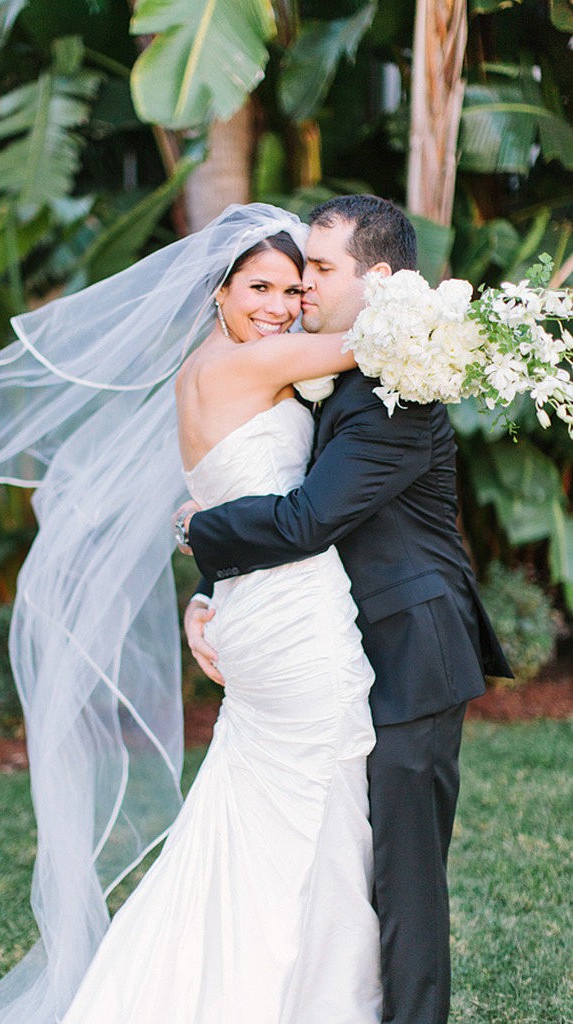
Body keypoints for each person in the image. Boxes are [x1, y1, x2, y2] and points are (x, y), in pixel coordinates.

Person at [0, 203, 382, 1024]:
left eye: (294, 288)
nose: (280, 306)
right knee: (318, 802)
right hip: (292, 615)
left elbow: (213, 503)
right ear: (218, 291)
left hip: (248, 610)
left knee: (248, 809)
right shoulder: (249, 365)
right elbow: (379, 340)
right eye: (259, 287)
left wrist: (203, 591)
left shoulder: (205, 369)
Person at [177, 194, 513, 1024]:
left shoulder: (397, 391)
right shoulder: (331, 379)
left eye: (319, 271)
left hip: (410, 650)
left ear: (379, 280)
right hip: (332, 644)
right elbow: (266, 485)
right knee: (345, 859)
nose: (302, 291)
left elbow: (306, 520)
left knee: (403, 877)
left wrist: (195, 533)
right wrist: (210, 591)